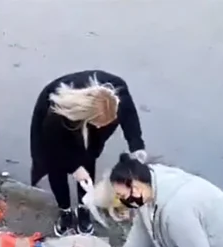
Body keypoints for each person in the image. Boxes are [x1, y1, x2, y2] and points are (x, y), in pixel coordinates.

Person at [30, 70, 147, 236]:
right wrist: (74, 167)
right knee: (56, 168)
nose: (100, 128)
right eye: (98, 124)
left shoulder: (117, 92)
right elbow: (53, 146)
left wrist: (137, 147)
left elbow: (129, 116)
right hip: (58, 122)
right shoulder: (57, 112)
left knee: (87, 159)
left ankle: (84, 206)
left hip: (87, 116)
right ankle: (64, 210)